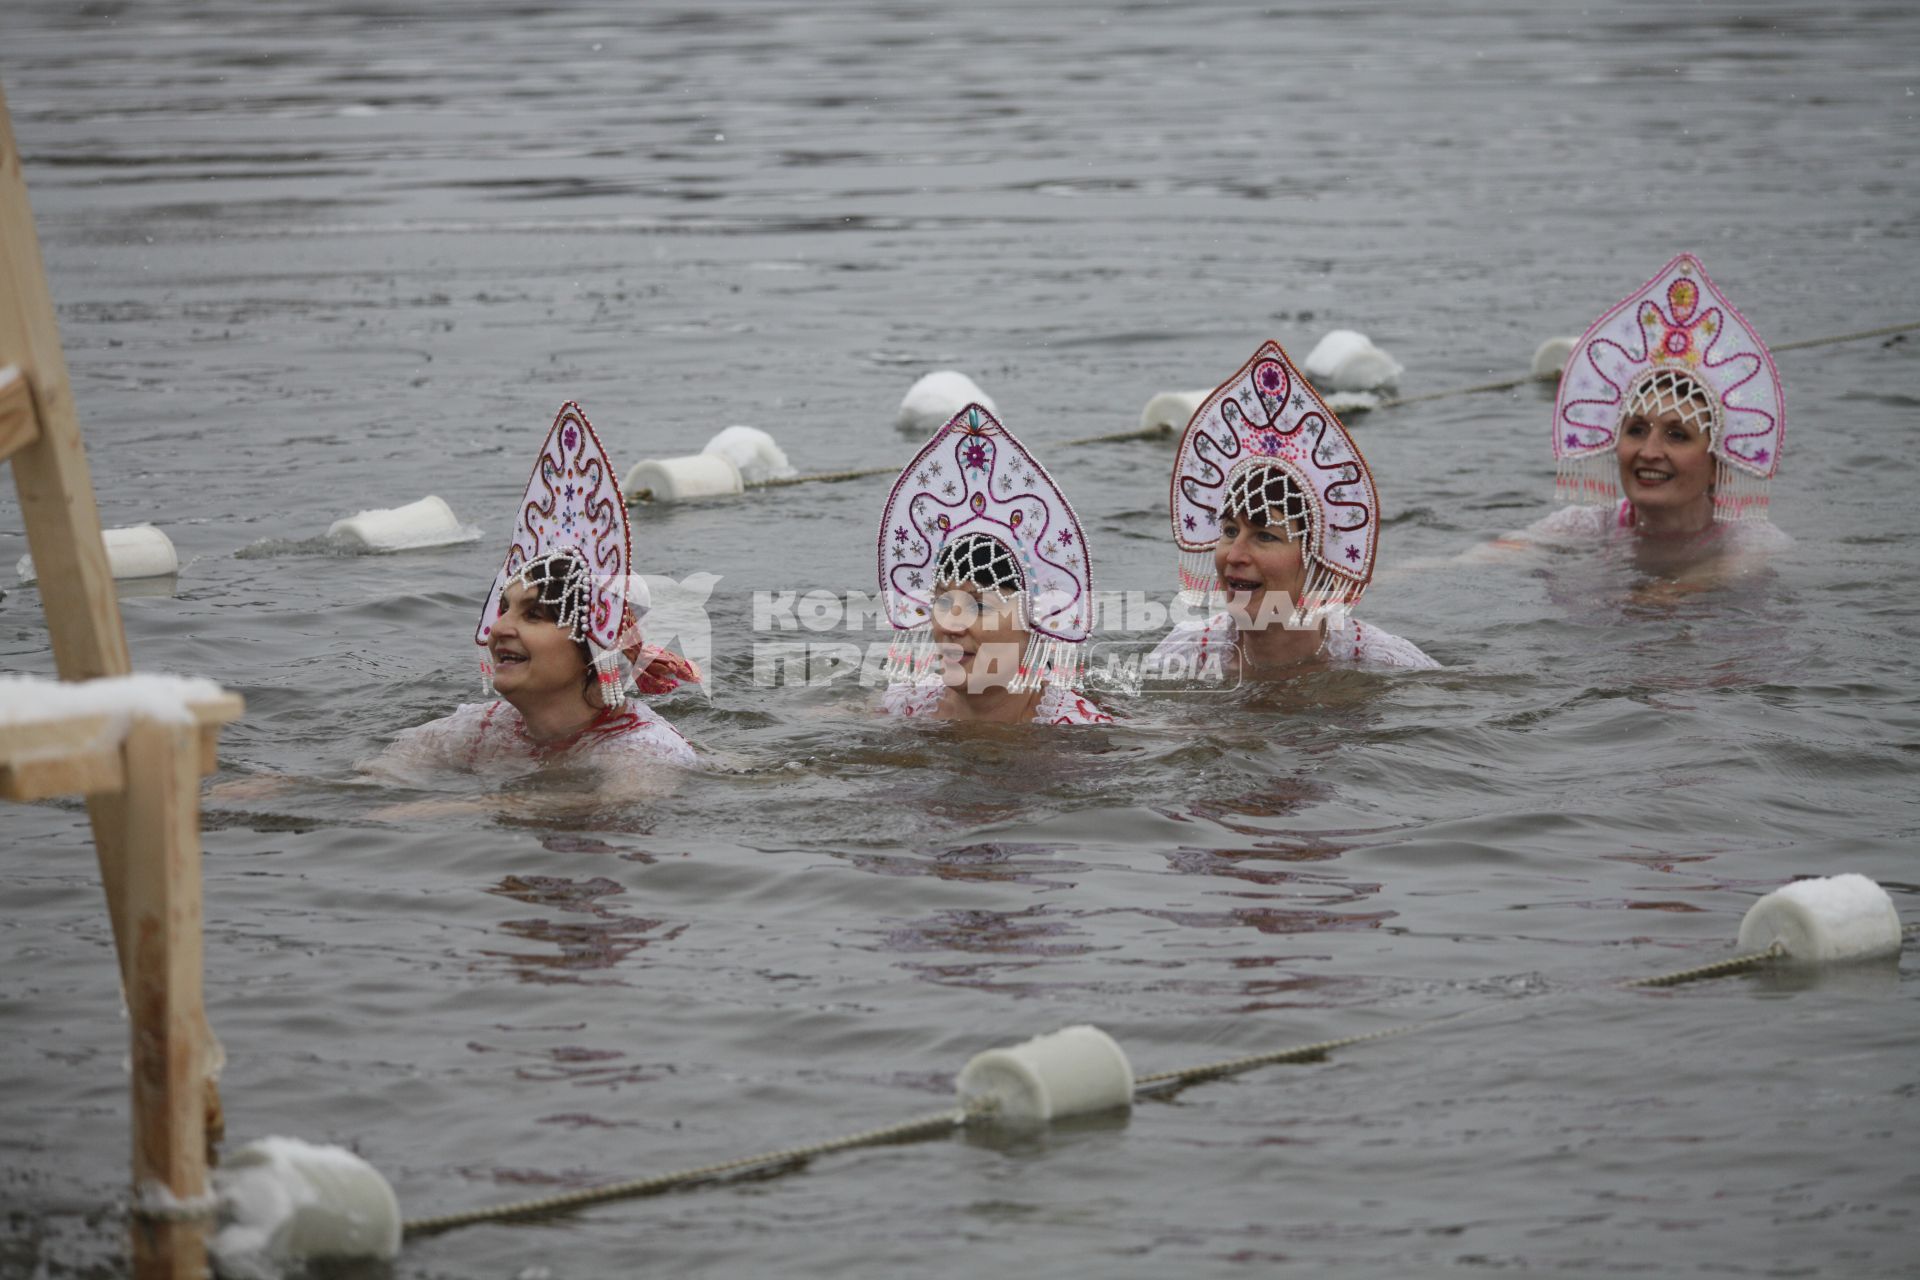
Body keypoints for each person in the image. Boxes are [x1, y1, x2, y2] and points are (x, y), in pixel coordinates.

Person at [373, 401, 698, 782]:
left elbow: (613, 813)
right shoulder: (479, 730)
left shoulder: (644, 753)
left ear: (594, 651)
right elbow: (367, 787)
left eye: (533, 615)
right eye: (505, 609)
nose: (500, 628)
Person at [1152, 341, 1439, 677]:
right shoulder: (1187, 656)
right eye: (1230, 532)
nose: (1234, 556)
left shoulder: (1382, 665)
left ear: (1316, 556)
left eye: (1264, 536)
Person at [1500, 252, 1790, 568]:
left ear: (1716, 467)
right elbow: (1490, 557)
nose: (1649, 452)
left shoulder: (1751, 541)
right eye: (1636, 430)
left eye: (1677, 435)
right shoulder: (1588, 525)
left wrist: (1669, 595)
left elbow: (1727, 574)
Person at [877, 403, 1113, 724]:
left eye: (980, 606)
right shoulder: (907, 707)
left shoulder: (1078, 733)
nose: (949, 624)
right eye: (943, 601)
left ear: (1036, 622)